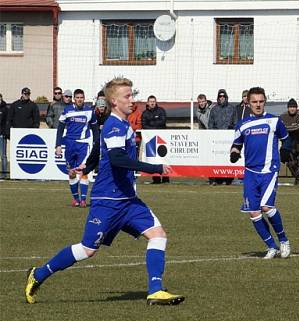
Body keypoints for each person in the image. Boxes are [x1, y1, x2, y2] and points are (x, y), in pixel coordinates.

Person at [24, 77, 184, 306]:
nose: (132, 100)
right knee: (87, 249)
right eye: (127, 96)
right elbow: (118, 159)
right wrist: (155, 168)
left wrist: (87, 166)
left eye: (132, 95)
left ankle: (155, 290)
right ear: (114, 101)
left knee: (158, 236)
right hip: (107, 201)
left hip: (128, 200)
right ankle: (37, 275)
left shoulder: (121, 124)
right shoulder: (114, 125)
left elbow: (101, 151)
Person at [229, 87, 292, 260]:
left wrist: (286, 150)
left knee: (266, 207)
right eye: (254, 102)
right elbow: (236, 144)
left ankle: (284, 240)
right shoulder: (242, 124)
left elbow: (286, 139)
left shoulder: (274, 121)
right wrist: (234, 152)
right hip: (250, 173)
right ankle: (272, 247)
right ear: (248, 103)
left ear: (265, 102)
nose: (258, 105)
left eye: (261, 101)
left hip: (269, 171)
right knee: (254, 212)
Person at [55, 89, 98, 207]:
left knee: (83, 170)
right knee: (71, 172)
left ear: (84, 99)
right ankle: (76, 199)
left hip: (83, 144)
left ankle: (83, 200)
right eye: (77, 97)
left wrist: (96, 144)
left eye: (81, 97)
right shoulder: (67, 111)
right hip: (69, 144)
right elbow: (60, 129)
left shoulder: (89, 111)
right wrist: (58, 145)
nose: (79, 99)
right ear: (74, 99)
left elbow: (94, 129)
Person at [208, 89, 237, 185]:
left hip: (228, 139)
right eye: (220, 96)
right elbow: (210, 125)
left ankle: (228, 179)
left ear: (226, 97)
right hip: (217, 140)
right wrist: (214, 134)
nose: (221, 98)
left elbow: (236, 123)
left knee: (227, 159)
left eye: (223, 96)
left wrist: (231, 130)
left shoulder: (232, 108)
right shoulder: (214, 109)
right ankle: (215, 179)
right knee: (216, 158)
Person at [279, 98, 299, 185]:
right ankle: (298, 177)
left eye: (294, 107)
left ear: (297, 108)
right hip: (289, 144)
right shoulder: (282, 116)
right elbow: (280, 128)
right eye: (290, 107)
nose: (292, 109)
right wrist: (289, 128)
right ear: (287, 108)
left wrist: (286, 128)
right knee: (291, 163)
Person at [141, 95, 169, 184]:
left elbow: (163, 121)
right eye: (150, 101)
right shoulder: (145, 113)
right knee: (153, 159)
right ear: (147, 103)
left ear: (156, 102)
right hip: (151, 140)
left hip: (162, 139)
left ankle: (166, 178)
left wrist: (151, 123)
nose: (152, 103)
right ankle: (156, 179)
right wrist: (155, 125)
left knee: (164, 158)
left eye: (154, 101)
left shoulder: (161, 110)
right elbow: (144, 125)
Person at [0, 93, 9, 178]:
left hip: (1, 136)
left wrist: (5, 133)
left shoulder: (5, 109)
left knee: (3, 155)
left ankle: (4, 173)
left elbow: (7, 122)